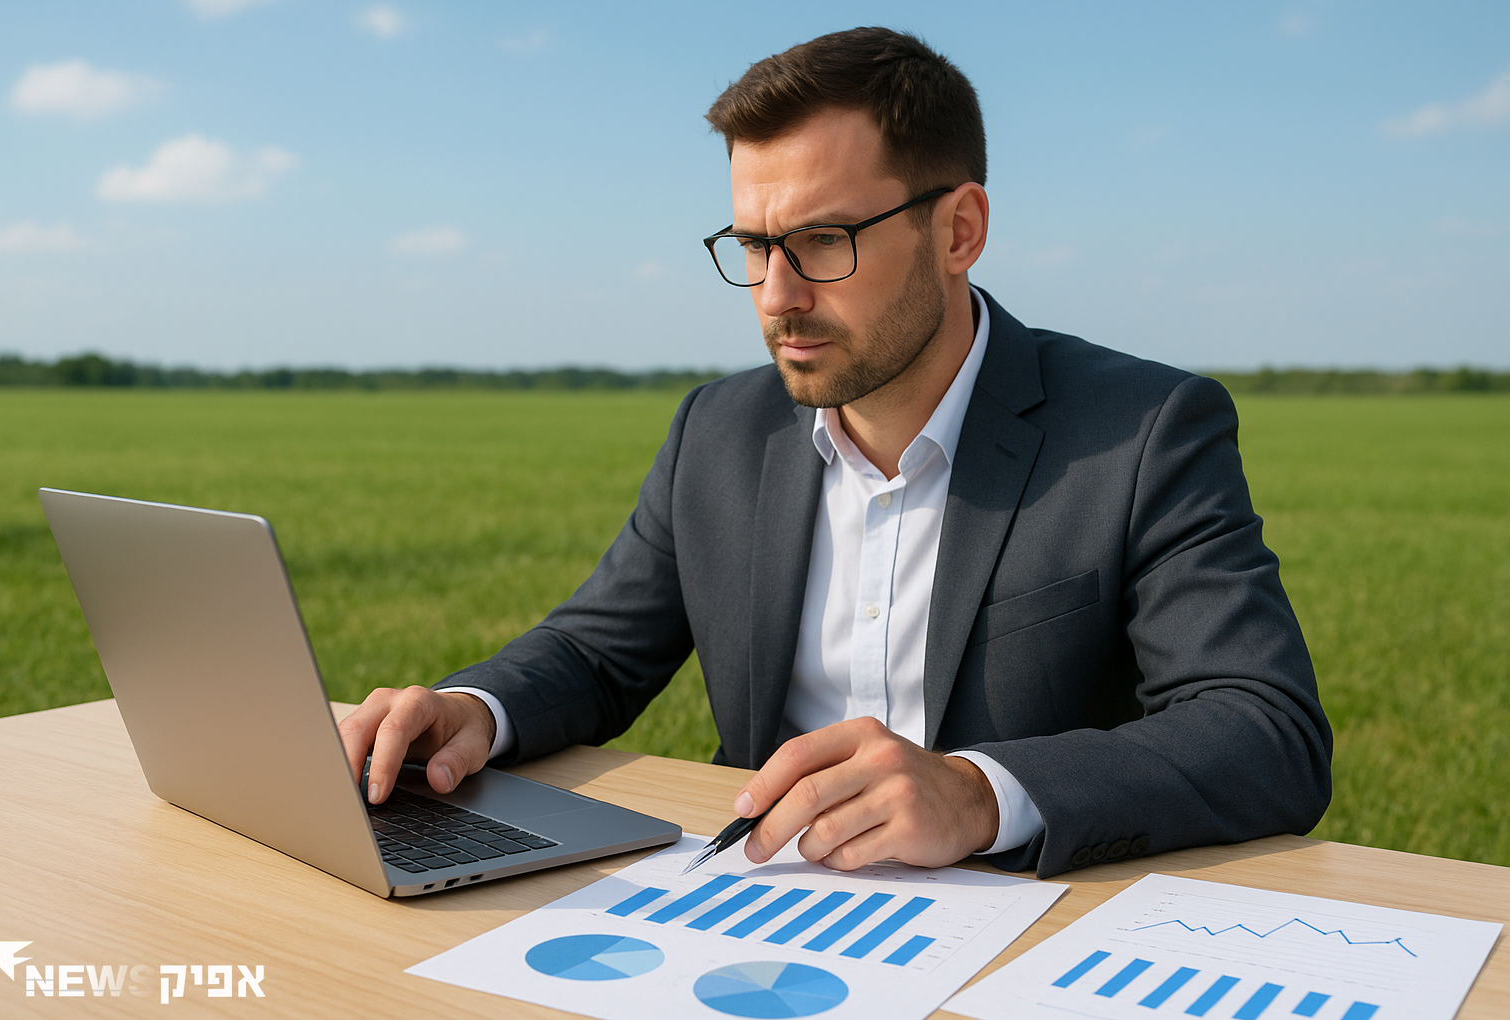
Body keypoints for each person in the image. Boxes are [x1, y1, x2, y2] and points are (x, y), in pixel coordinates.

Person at [339, 27, 1331, 879]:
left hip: (1024, 933)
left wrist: (979, 794)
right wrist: (473, 707)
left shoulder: (1144, 429)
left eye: (822, 240)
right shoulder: (718, 431)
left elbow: (1264, 728)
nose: (776, 294)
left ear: (960, 229)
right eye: (755, 244)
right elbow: (600, 652)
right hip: (753, 910)